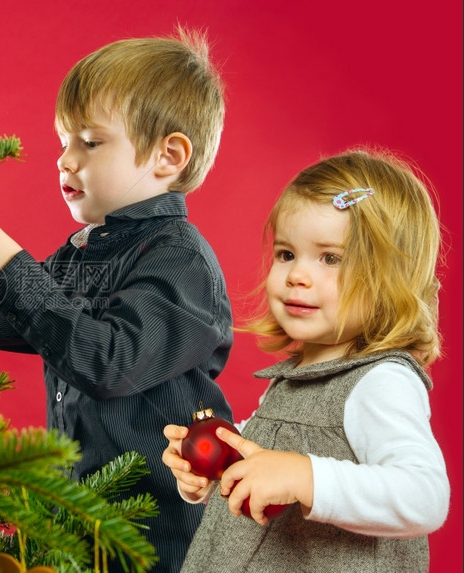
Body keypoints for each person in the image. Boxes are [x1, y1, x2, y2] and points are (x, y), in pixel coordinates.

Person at [0, 30, 232, 571]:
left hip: (157, 527)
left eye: (90, 142)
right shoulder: (85, 250)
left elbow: (108, 361)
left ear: (167, 156)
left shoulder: (183, 262)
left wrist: (11, 264)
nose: (65, 160)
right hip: (78, 509)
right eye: (62, 142)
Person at [162, 149, 450, 572]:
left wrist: (306, 477)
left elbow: (424, 495)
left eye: (330, 258)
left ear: (391, 279)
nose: (297, 275)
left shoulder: (381, 381)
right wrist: (216, 465)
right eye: (286, 254)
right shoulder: (296, 376)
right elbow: (273, 454)